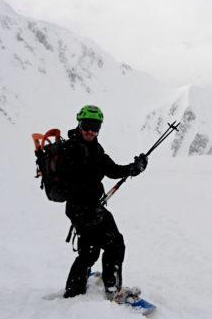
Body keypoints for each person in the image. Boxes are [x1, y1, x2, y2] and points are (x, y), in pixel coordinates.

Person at [61, 104, 148, 299]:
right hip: (82, 209)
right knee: (112, 244)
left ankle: (74, 291)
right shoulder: (71, 149)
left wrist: (134, 168)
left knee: (91, 251)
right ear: (79, 124)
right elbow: (71, 184)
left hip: (92, 207)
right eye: (87, 125)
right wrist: (86, 201)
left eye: (95, 127)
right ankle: (110, 289)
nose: (91, 131)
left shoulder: (95, 149)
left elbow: (112, 169)